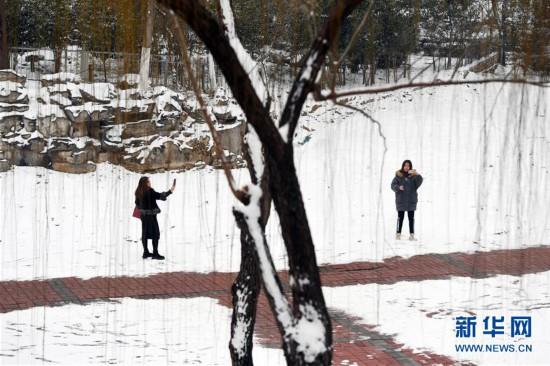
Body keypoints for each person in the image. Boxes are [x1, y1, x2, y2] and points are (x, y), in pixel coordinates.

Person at [135, 177, 176, 259]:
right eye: (148, 182)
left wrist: (143, 210)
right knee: (155, 233)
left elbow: (137, 203)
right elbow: (159, 196)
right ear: (145, 183)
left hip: (143, 216)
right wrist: (170, 191)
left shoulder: (138, 192)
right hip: (151, 216)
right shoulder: (149, 191)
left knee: (145, 234)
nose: (150, 183)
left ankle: (146, 253)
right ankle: (155, 254)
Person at [391, 160, 423, 241]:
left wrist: (417, 174)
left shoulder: (414, 177)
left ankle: (411, 235)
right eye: (405, 165)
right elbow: (392, 185)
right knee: (400, 218)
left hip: (411, 200)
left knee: (411, 218)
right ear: (403, 166)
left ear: (410, 167)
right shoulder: (398, 176)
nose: (406, 167)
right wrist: (398, 187)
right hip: (401, 200)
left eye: (408, 166)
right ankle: (398, 234)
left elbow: (420, 181)